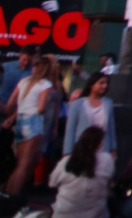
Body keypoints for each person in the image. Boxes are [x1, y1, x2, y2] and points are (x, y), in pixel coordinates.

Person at [7, 53, 58, 195]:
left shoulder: (24, 81)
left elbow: (10, 104)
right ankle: (12, 197)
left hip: (20, 120)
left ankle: (6, 193)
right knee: (25, 165)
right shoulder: (45, 84)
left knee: (19, 164)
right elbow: (41, 108)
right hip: (34, 121)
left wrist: (13, 116)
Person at [49, 124, 115, 218]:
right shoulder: (107, 160)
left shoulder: (66, 162)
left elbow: (52, 183)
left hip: (64, 214)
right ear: (100, 144)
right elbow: (110, 182)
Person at [64, 71, 117, 158]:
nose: (105, 86)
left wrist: (113, 149)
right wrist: (67, 152)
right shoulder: (78, 104)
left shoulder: (108, 103)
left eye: (106, 83)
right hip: (82, 149)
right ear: (92, 85)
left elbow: (111, 128)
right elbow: (70, 130)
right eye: (101, 83)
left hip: (103, 150)